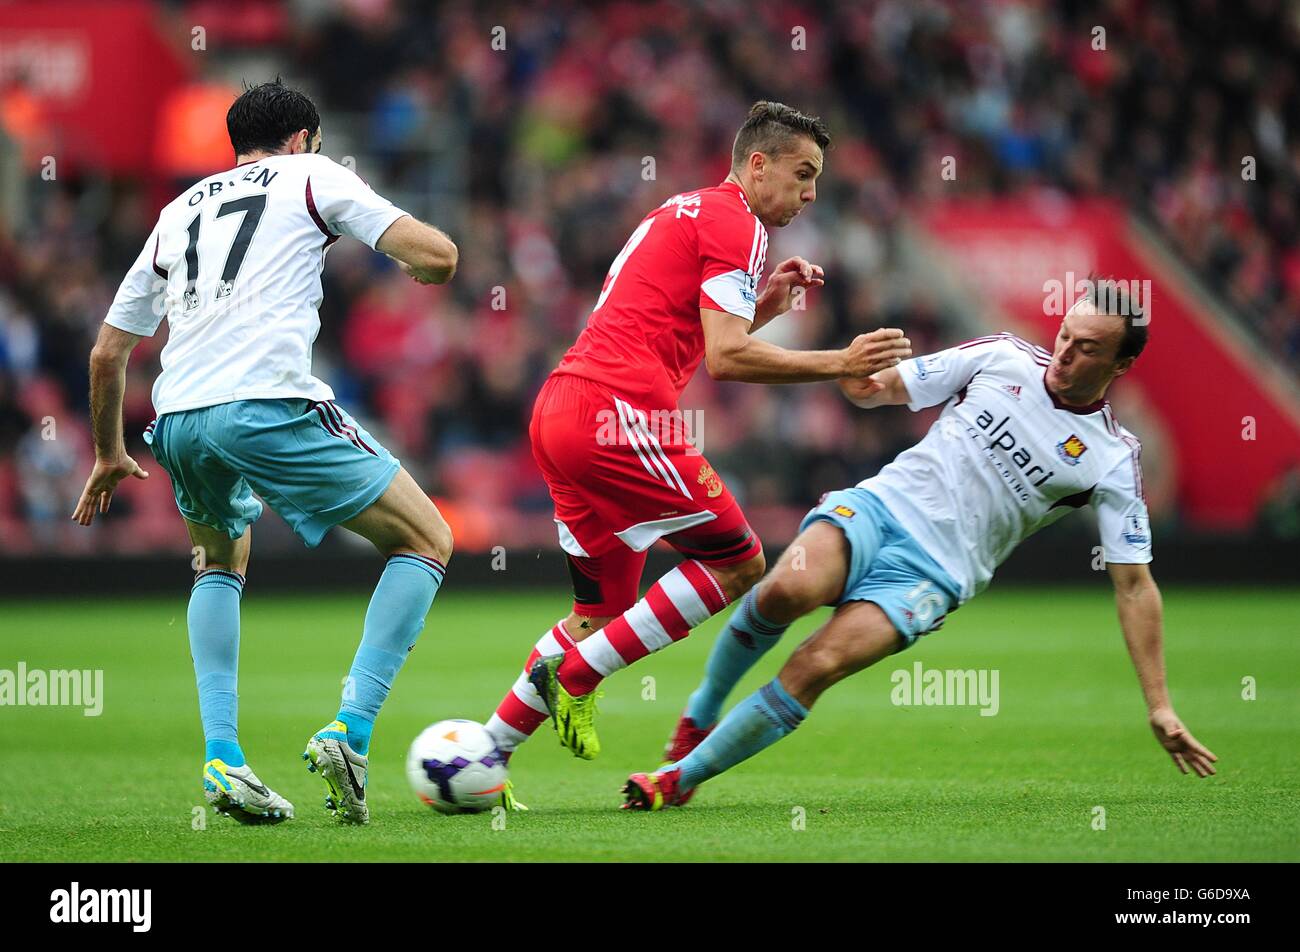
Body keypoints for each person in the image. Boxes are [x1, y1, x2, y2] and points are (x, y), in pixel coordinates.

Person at [624, 282, 1218, 809]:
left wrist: (1159, 704)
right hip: (880, 508)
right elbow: (880, 389)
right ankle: (700, 713)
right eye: (1065, 334)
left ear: (1123, 363)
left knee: (814, 666)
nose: (1064, 352)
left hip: (934, 577)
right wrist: (857, 375)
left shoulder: (1112, 459)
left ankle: (676, 779)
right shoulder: (1002, 357)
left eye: (1088, 347)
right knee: (786, 589)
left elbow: (1135, 586)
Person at [483, 101, 912, 775]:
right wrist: (840, 363)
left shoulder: (687, 208)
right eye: (803, 174)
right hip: (615, 412)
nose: (811, 193)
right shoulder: (737, 222)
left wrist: (761, 306)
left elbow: (677, 333)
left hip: (563, 410)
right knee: (740, 561)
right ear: (758, 163)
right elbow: (727, 359)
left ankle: (479, 758)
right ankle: (575, 677)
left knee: (600, 613)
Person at [72, 80, 460, 825]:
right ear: (303, 138)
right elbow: (436, 254)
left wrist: (105, 451)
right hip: (267, 402)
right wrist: (427, 265)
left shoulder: (178, 209)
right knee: (428, 539)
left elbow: (106, 352)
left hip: (179, 417)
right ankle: (350, 732)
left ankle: (223, 757)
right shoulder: (314, 175)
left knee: (219, 562)